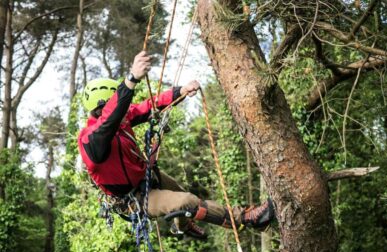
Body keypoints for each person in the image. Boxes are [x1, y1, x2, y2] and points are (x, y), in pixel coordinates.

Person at [78, 51, 275, 239]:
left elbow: (148, 107)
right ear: (101, 110)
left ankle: (183, 225)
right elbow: (108, 124)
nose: (125, 111)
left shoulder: (121, 118)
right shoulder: (91, 141)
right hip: (132, 200)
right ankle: (247, 219)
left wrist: (180, 91)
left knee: (180, 192)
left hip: (145, 178)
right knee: (187, 202)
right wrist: (131, 80)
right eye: (117, 107)